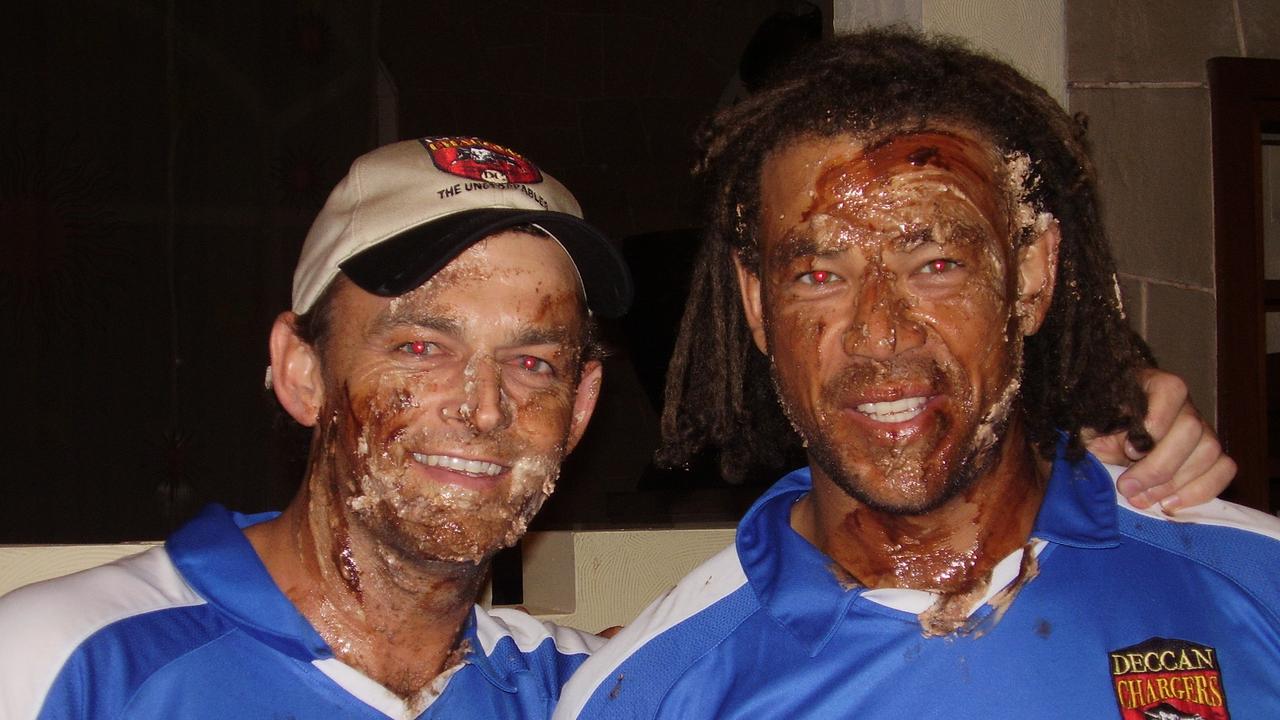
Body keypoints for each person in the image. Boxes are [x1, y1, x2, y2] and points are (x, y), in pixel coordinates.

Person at [554, 29, 1279, 719]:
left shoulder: (1252, 585)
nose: (881, 333)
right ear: (755, 304)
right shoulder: (655, 689)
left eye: (936, 266)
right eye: (818, 274)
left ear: (1030, 274)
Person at [0, 136, 632, 719]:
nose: (485, 407)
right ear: (301, 373)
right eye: (420, 347)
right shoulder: (62, 667)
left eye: (532, 363)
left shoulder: (594, 694)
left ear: (578, 409)